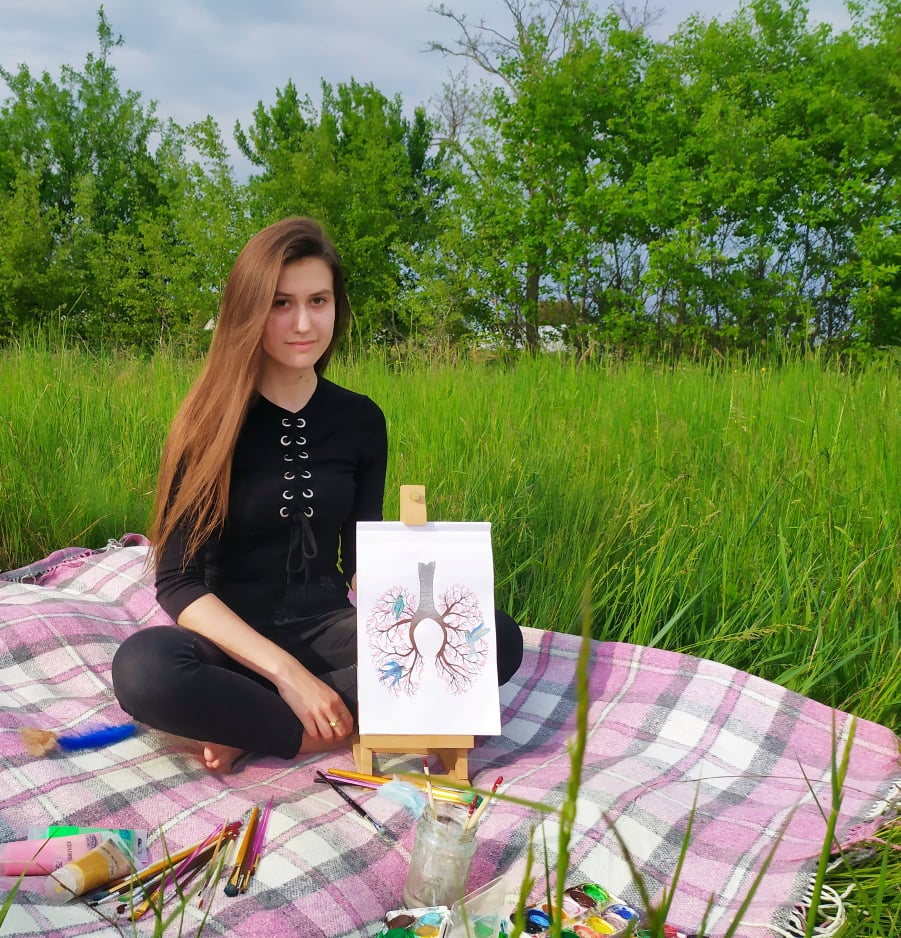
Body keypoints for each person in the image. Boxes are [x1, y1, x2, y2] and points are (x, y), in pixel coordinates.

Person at [112, 217, 524, 773]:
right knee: (144, 668)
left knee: (495, 638)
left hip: (330, 627)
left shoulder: (361, 420)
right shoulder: (208, 423)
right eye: (281, 303)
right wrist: (290, 677)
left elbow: (359, 563)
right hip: (233, 645)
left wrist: (425, 584)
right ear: (248, 310)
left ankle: (257, 728)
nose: (303, 323)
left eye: (318, 301)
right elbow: (178, 582)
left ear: (337, 307)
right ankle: (313, 716)